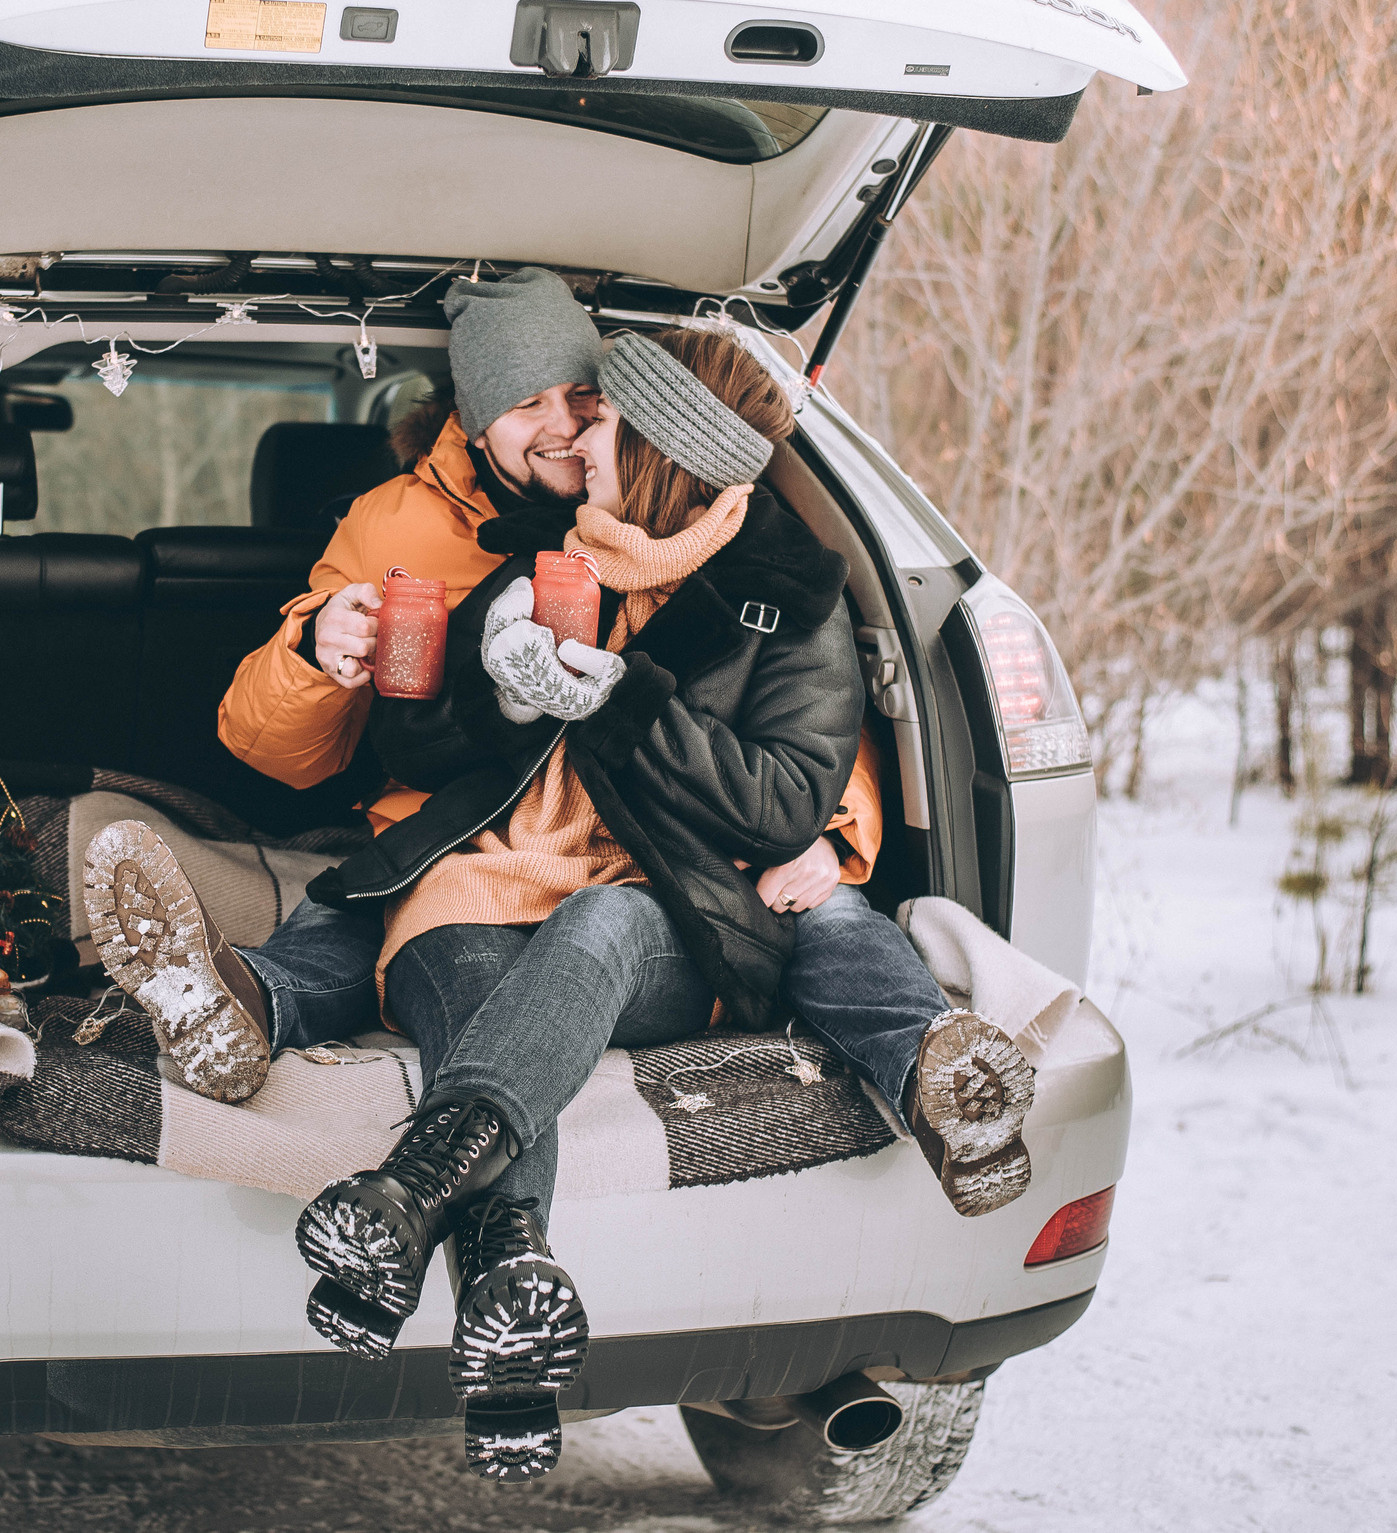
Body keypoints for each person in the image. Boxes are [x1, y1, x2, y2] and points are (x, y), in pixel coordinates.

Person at [79, 308, 1037, 1480]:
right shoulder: (553, 556)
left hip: (670, 908)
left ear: (662, 452)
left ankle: (409, 1187)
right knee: (460, 950)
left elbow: (790, 798)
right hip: (477, 877)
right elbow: (429, 753)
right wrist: (482, 683)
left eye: (603, 421)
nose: (580, 438)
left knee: (605, 920)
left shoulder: (790, 594)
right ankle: (507, 1304)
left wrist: (617, 695)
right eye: (562, 412)